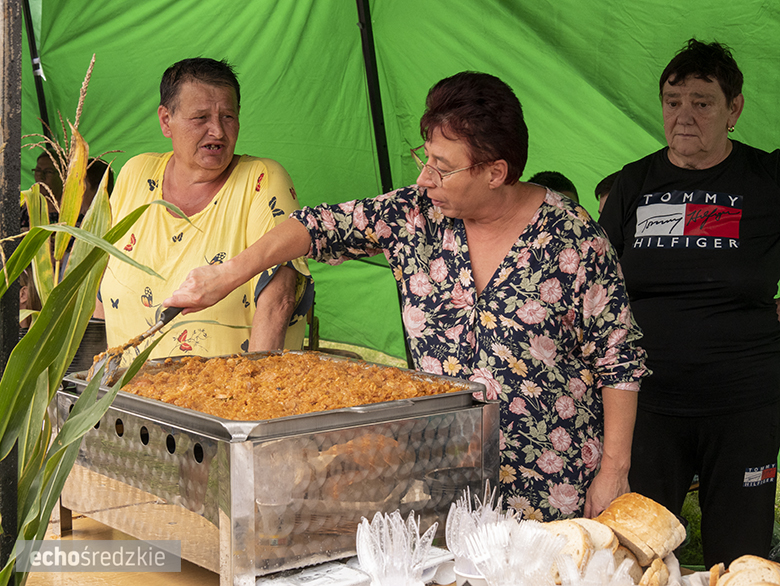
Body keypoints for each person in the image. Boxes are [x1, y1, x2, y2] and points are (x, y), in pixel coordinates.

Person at [167, 71, 648, 520]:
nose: (424, 179)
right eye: (426, 158)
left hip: (551, 484)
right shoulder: (413, 215)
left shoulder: (573, 238)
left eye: (442, 167)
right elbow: (311, 226)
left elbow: (620, 357)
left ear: (495, 172)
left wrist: (614, 469)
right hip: (445, 481)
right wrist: (226, 275)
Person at [599, 39, 780, 565]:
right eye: (673, 100)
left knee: (739, 555)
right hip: (648, 405)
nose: (683, 116)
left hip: (744, 404)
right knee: (635, 554)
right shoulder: (635, 180)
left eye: (702, 102)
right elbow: (597, 281)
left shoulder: (767, 180)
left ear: (734, 109)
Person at [95, 58, 312, 363]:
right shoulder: (135, 173)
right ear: (165, 120)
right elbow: (100, 278)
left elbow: (279, 298)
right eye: (200, 118)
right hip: (127, 396)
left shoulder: (262, 180)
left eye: (228, 116)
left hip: (225, 399)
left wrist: (255, 391)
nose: (218, 132)